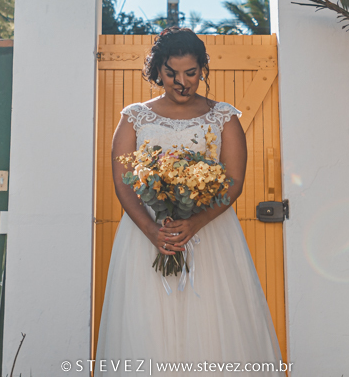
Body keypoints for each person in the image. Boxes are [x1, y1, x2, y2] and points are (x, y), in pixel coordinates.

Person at [94, 27, 283, 373]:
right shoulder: (134, 117)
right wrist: (152, 230)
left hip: (210, 234)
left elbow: (234, 182)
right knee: (147, 322)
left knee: (212, 319)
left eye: (191, 73)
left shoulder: (223, 117)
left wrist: (194, 222)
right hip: (145, 237)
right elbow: (123, 182)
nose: (182, 82)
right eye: (171, 73)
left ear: (203, 69)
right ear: (158, 72)